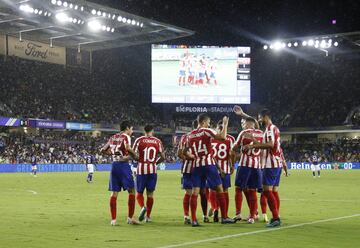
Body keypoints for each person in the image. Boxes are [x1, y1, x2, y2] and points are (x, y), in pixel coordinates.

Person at [184, 113, 235, 226]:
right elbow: (222, 137)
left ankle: (194, 220)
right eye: (208, 122)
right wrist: (225, 124)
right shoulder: (207, 131)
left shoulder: (190, 135)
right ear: (203, 122)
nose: (209, 124)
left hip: (196, 165)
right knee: (220, 188)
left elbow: (186, 150)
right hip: (208, 164)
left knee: (195, 192)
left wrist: (193, 156)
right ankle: (224, 217)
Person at [243, 109, 282, 227]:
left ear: (265, 117)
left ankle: (275, 218)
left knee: (267, 191)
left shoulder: (270, 129)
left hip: (271, 164)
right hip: (272, 164)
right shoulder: (271, 129)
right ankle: (275, 216)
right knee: (268, 191)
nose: (259, 120)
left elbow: (270, 145)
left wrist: (253, 146)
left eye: (260, 117)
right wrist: (254, 140)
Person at [100, 120, 139, 226]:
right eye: (131, 129)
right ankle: (130, 218)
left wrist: (113, 154)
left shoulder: (112, 137)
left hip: (114, 165)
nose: (132, 131)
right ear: (127, 128)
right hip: (123, 165)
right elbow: (127, 148)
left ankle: (113, 220)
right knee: (132, 191)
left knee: (114, 193)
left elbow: (102, 150)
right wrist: (135, 156)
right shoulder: (126, 137)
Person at [232, 117, 263, 224]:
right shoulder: (261, 133)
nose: (243, 125)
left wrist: (238, 149)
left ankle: (238, 214)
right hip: (256, 166)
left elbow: (234, 147)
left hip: (245, 165)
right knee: (252, 190)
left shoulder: (244, 132)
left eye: (243, 123)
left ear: (247, 124)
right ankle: (252, 216)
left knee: (238, 189)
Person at [133, 125, 165, 223]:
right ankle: (148, 217)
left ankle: (143, 207)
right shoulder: (157, 141)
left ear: (144, 131)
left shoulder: (139, 140)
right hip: (152, 170)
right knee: (150, 194)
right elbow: (163, 157)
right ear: (152, 131)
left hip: (141, 169)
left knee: (139, 193)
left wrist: (138, 159)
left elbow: (132, 153)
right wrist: (155, 163)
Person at [208, 120, 235, 222]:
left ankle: (215, 208)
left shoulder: (212, 138)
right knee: (225, 191)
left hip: (212, 168)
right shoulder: (230, 138)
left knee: (213, 190)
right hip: (225, 169)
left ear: (217, 128)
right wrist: (232, 165)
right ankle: (225, 214)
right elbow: (231, 153)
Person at [177, 120, 198, 224]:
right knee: (197, 192)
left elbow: (179, 153)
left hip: (186, 168)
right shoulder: (202, 135)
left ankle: (186, 216)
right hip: (199, 168)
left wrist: (185, 159)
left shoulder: (184, 137)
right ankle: (197, 216)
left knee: (188, 193)